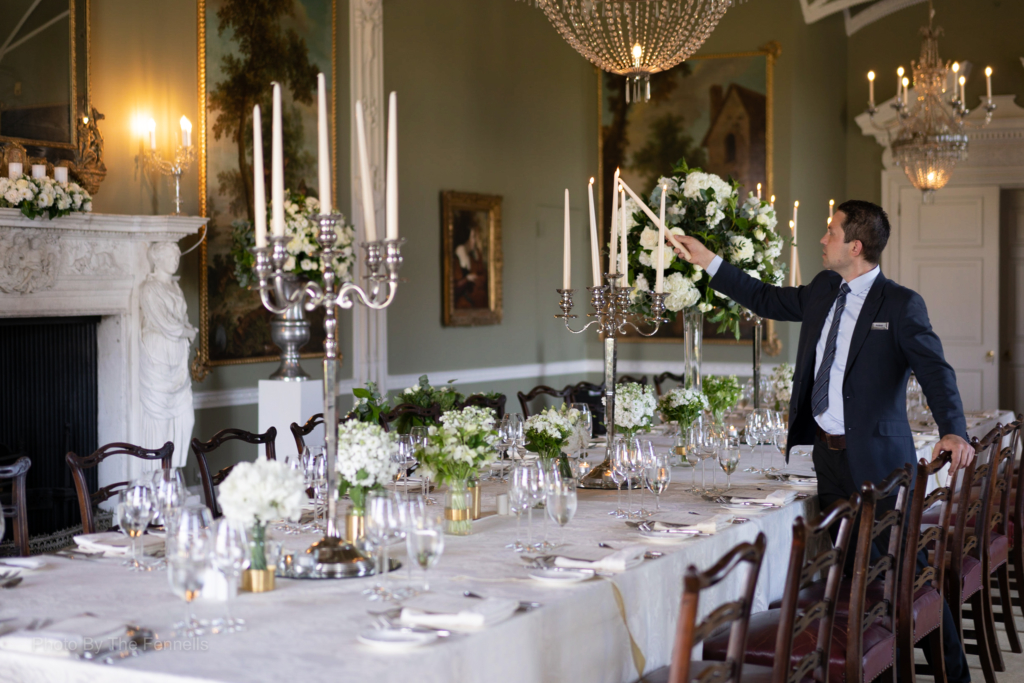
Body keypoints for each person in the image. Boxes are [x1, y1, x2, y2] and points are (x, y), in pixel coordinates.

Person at [673, 199, 974, 683]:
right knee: (854, 577)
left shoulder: (899, 303)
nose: (822, 238)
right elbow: (765, 298)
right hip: (828, 460)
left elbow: (935, 371)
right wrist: (709, 260)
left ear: (854, 245)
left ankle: (954, 675)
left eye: (830, 232)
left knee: (907, 579)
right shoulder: (821, 289)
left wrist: (952, 429)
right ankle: (874, 666)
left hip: (880, 464)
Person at [139, 242, 197, 472]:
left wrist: (186, 329)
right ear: (158, 259)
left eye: (177, 256)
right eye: (171, 256)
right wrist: (188, 331)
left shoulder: (175, 287)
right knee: (160, 417)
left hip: (177, 356)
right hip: (159, 355)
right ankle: (158, 474)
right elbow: (166, 324)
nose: (175, 260)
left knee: (186, 417)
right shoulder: (149, 288)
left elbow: (179, 320)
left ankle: (174, 472)